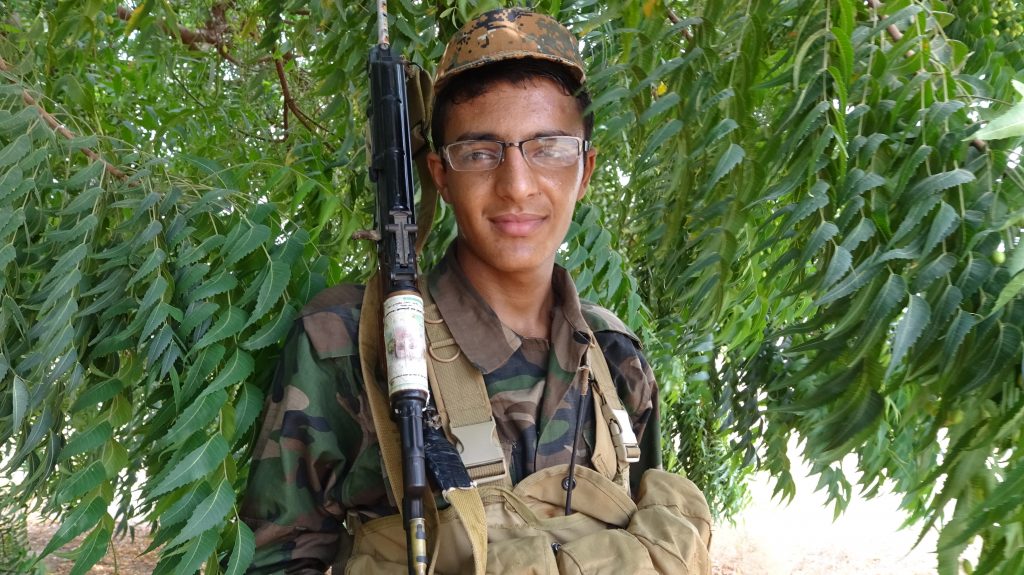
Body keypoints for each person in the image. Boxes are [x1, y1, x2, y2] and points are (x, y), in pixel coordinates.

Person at [241, 7, 711, 574]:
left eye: (548, 148)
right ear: (441, 174)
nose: (516, 185)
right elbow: (275, 558)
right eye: (480, 153)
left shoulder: (613, 354)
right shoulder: (348, 343)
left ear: (585, 171)